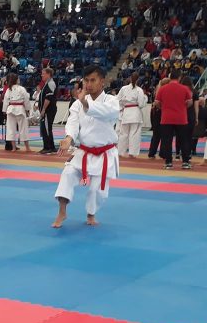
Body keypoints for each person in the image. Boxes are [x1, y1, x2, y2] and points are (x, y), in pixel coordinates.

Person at [52, 65, 120, 228]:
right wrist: (69, 138)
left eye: (93, 80)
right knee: (67, 174)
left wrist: (85, 103)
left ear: (102, 82)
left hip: (104, 154)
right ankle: (62, 211)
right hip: (84, 151)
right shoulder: (77, 104)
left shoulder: (112, 101)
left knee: (97, 190)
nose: (88, 84)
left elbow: (106, 113)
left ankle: (91, 214)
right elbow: (73, 123)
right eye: (86, 80)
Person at [154, 70, 194, 170]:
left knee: (167, 141)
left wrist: (163, 107)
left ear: (170, 77)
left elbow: (157, 102)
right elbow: (190, 102)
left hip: (166, 118)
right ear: (179, 77)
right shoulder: (184, 88)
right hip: (181, 118)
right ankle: (185, 162)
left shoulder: (162, 88)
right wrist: (183, 107)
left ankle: (168, 162)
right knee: (184, 140)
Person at [115, 73, 147, 159]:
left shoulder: (123, 88)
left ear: (130, 78)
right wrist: (145, 98)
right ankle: (132, 153)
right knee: (134, 134)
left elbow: (117, 100)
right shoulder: (139, 90)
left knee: (123, 134)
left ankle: (120, 152)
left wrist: (122, 106)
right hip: (135, 113)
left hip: (126, 113)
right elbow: (141, 104)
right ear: (138, 80)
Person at [3, 73, 32, 152]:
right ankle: (27, 147)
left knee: (11, 128)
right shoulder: (22, 89)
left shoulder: (8, 89)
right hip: (20, 109)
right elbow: (26, 99)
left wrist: (4, 111)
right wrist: (27, 109)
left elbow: (5, 101)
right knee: (23, 128)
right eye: (18, 78)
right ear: (16, 80)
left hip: (10, 109)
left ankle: (13, 147)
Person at [37, 67, 58, 154]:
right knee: (46, 128)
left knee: (46, 129)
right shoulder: (47, 83)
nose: (41, 75)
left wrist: (43, 110)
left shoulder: (51, 83)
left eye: (43, 73)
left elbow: (48, 98)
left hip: (48, 111)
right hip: (47, 110)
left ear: (48, 74)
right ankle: (51, 147)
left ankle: (47, 147)